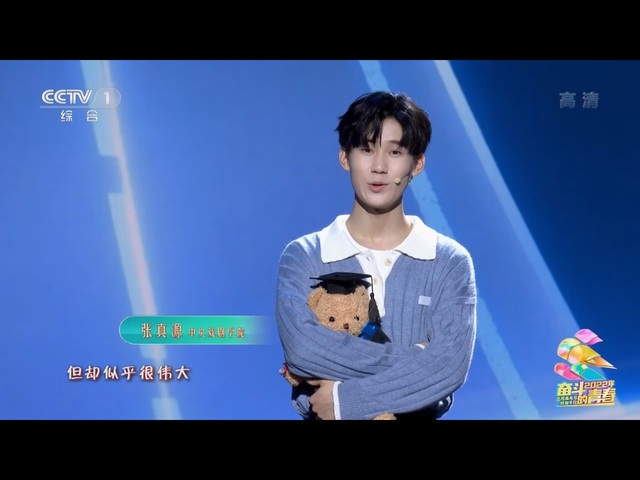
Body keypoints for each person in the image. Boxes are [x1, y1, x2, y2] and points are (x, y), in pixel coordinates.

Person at [275, 91, 477, 420]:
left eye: (395, 152)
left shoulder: (449, 262)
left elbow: (450, 367)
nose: (379, 167)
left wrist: (345, 402)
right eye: (367, 149)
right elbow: (302, 350)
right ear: (345, 157)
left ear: (417, 164)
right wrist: (419, 359)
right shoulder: (305, 256)